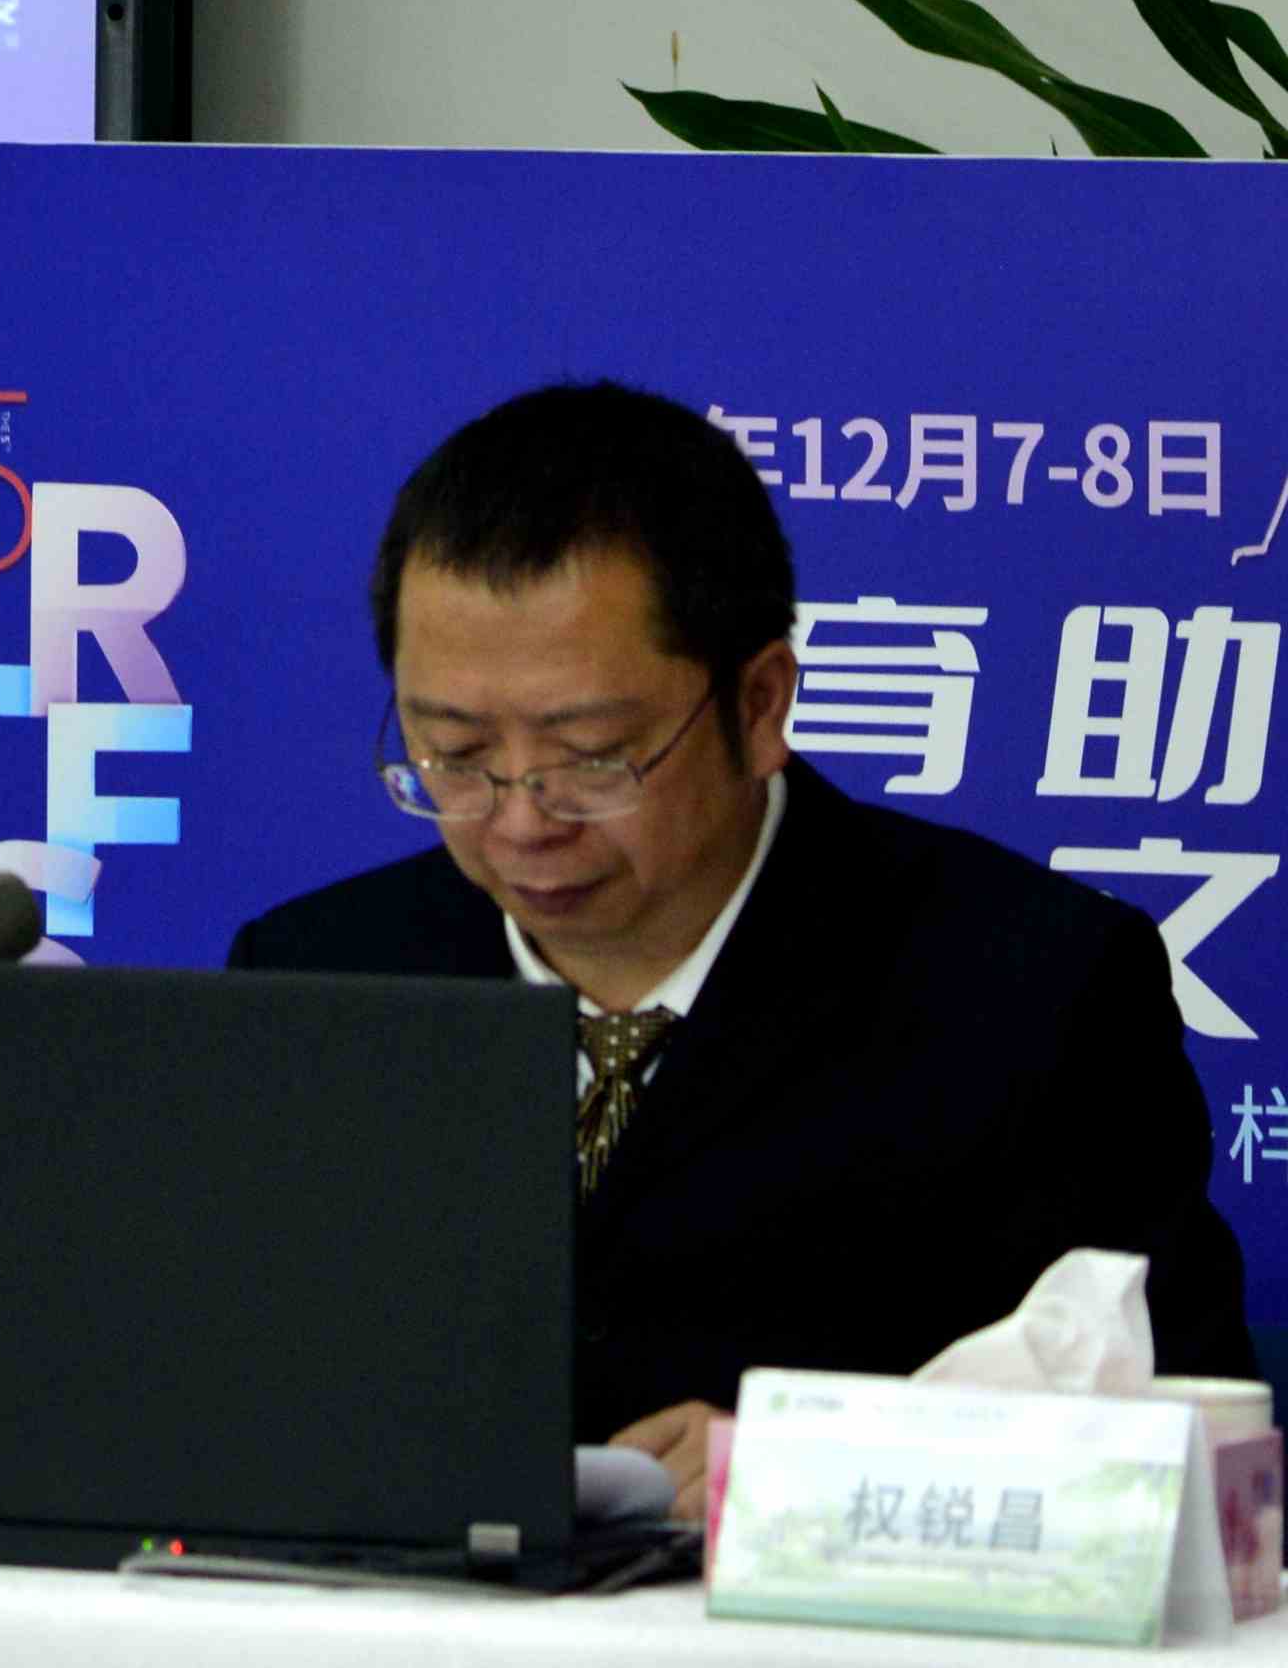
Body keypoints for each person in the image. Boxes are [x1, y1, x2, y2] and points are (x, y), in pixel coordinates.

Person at [233, 385, 1244, 1513]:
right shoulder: (314, 978)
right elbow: (213, 1393)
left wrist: (817, 1472)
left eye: (592, 756)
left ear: (759, 704)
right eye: (455, 755)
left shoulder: (1029, 992)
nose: (520, 822)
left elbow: (1190, 1456)